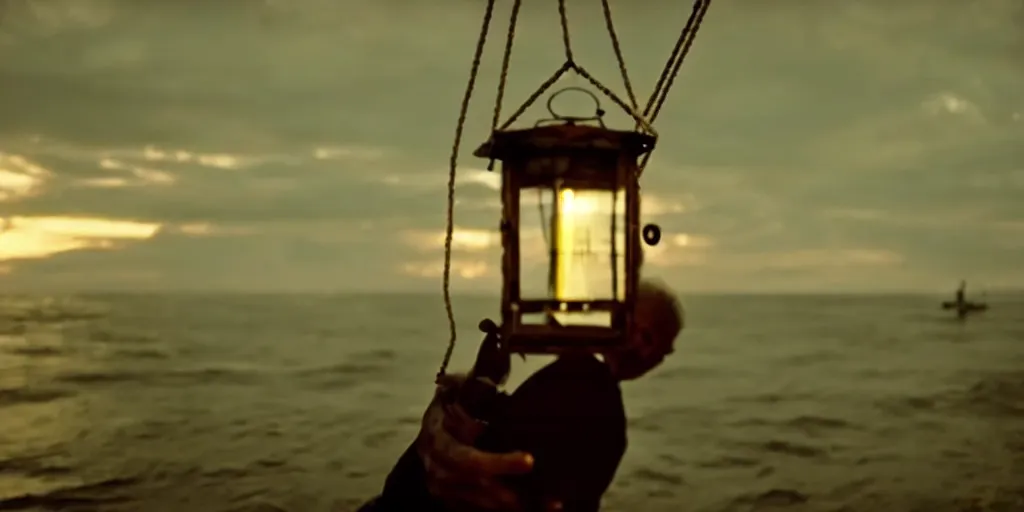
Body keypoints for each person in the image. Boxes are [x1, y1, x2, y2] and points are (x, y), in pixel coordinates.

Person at [358, 280, 684, 512]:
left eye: (661, 350)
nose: (650, 352)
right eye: (645, 335)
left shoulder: (582, 380)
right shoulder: (589, 384)